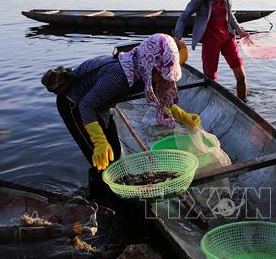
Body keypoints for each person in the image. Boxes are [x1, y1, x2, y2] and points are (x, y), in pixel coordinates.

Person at [42, 33, 197, 196]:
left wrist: (181, 114)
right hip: (76, 106)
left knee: (115, 152)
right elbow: (86, 106)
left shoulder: (139, 66)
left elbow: (159, 94)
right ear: (149, 64)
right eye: (161, 73)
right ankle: (100, 199)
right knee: (101, 161)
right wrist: (99, 141)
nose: (163, 78)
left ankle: (114, 190)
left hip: (99, 102)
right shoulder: (118, 77)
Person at [173, 0, 250, 101]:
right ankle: (209, 104)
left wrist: (239, 30)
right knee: (210, 79)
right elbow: (184, 17)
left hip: (228, 39)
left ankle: (244, 104)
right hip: (210, 42)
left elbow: (229, 14)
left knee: (241, 76)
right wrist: (177, 37)